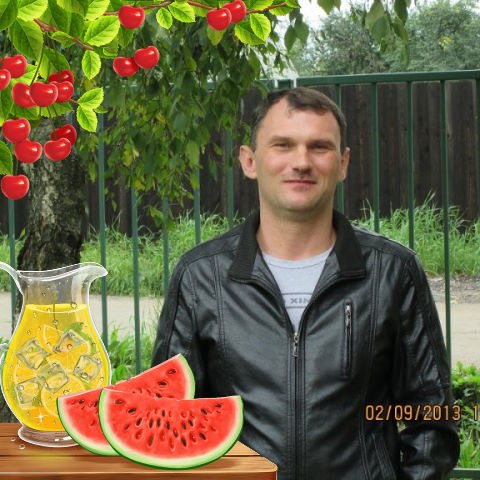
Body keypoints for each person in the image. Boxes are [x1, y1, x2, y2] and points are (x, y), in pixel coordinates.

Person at [151, 87, 459, 479]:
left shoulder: (392, 271)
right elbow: (168, 418)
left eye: (319, 147)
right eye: (282, 145)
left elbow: (432, 418)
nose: (301, 162)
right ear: (249, 161)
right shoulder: (200, 276)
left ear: (343, 163)